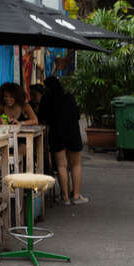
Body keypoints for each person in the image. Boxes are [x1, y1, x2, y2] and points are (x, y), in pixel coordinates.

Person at [39, 77, 88, 206]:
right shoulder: (69, 97)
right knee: (76, 164)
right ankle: (76, 196)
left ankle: (64, 197)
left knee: (62, 165)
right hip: (72, 132)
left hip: (56, 133)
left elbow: (42, 118)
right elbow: (77, 115)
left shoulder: (46, 99)